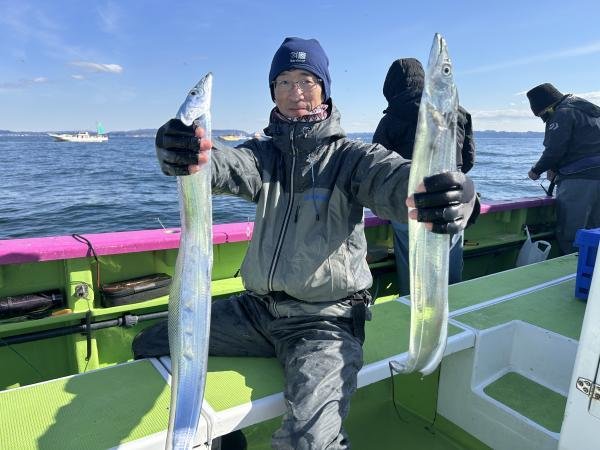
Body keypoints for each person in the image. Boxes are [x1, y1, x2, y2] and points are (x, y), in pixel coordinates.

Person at [133, 37, 478, 450]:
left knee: (309, 441)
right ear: (272, 91)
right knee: (151, 344)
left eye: (306, 80)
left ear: (324, 89)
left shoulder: (353, 158)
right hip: (256, 311)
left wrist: (455, 198)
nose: (295, 92)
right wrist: (185, 149)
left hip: (325, 321)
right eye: (283, 81)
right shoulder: (263, 157)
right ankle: (226, 441)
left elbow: (398, 182)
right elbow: (222, 163)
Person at [372, 58, 476, 296]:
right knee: (450, 263)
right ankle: (453, 310)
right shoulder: (458, 111)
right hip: (453, 199)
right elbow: (468, 160)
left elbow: (376, 168)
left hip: (410, 204)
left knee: (412, 267)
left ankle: (412, 305)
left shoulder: (391, 118)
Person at [526, 83, 600, 254]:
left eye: (542, 115)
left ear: (546, 107)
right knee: (594, 229)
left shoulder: (562, 113)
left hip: (578, 180)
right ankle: (593, 268)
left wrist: (536, 170)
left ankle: (571, 267)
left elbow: (555, 149)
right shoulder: (590, 109)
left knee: (570, 231)